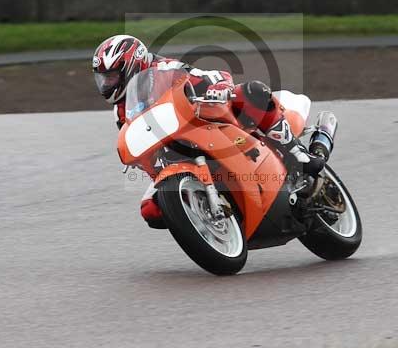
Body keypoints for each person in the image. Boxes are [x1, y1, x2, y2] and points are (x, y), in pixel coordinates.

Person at [92, 34, 324, 227]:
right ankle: (204, 219)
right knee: (151, 210)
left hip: (207, 122)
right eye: (103, 79)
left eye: (111, 77)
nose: (106, 85)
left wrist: (218, 87)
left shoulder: (166, 69)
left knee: (252, 92)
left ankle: (297, 153)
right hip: (174, 153)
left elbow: (210, 76)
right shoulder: (121, 111)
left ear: (133, 65)